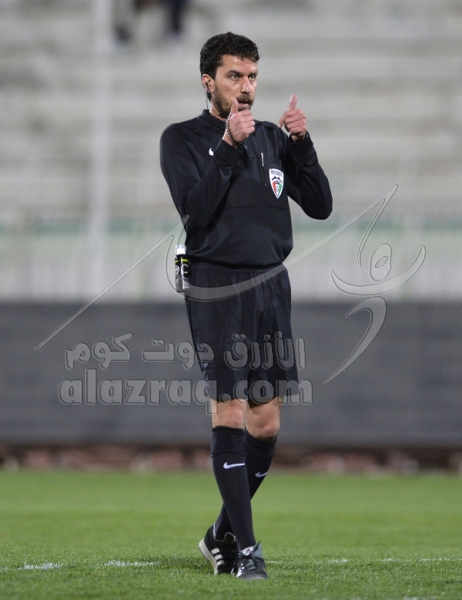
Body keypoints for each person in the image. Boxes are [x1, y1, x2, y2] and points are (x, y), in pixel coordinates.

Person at [160, 32, 332, 580]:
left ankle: (219, 535)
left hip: (271, 285)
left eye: (252, 76)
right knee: (230, 411)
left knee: (266, 423)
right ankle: (247, 552)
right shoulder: (182, 139)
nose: (246, 87)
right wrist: (229, 146)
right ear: (208, 81)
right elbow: (195, 212)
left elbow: (321, 206)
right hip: (217, 284)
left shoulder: (272, 139)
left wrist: (301, 144)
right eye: (234, 76)